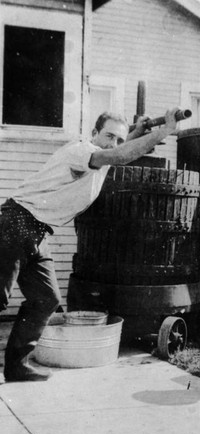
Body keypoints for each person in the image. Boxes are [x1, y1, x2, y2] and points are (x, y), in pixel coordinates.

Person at [0, 107, 179, 382]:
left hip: (37, 231)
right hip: (15, 223)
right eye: (108, 135)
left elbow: (116, 149)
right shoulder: (79, 150)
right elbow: (119, 154)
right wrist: (164, 131)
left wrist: (137, 132)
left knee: (46, 299)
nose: (113, 143)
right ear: (93, 133)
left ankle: (16, 366)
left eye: (119, 138)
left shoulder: (101, 155)